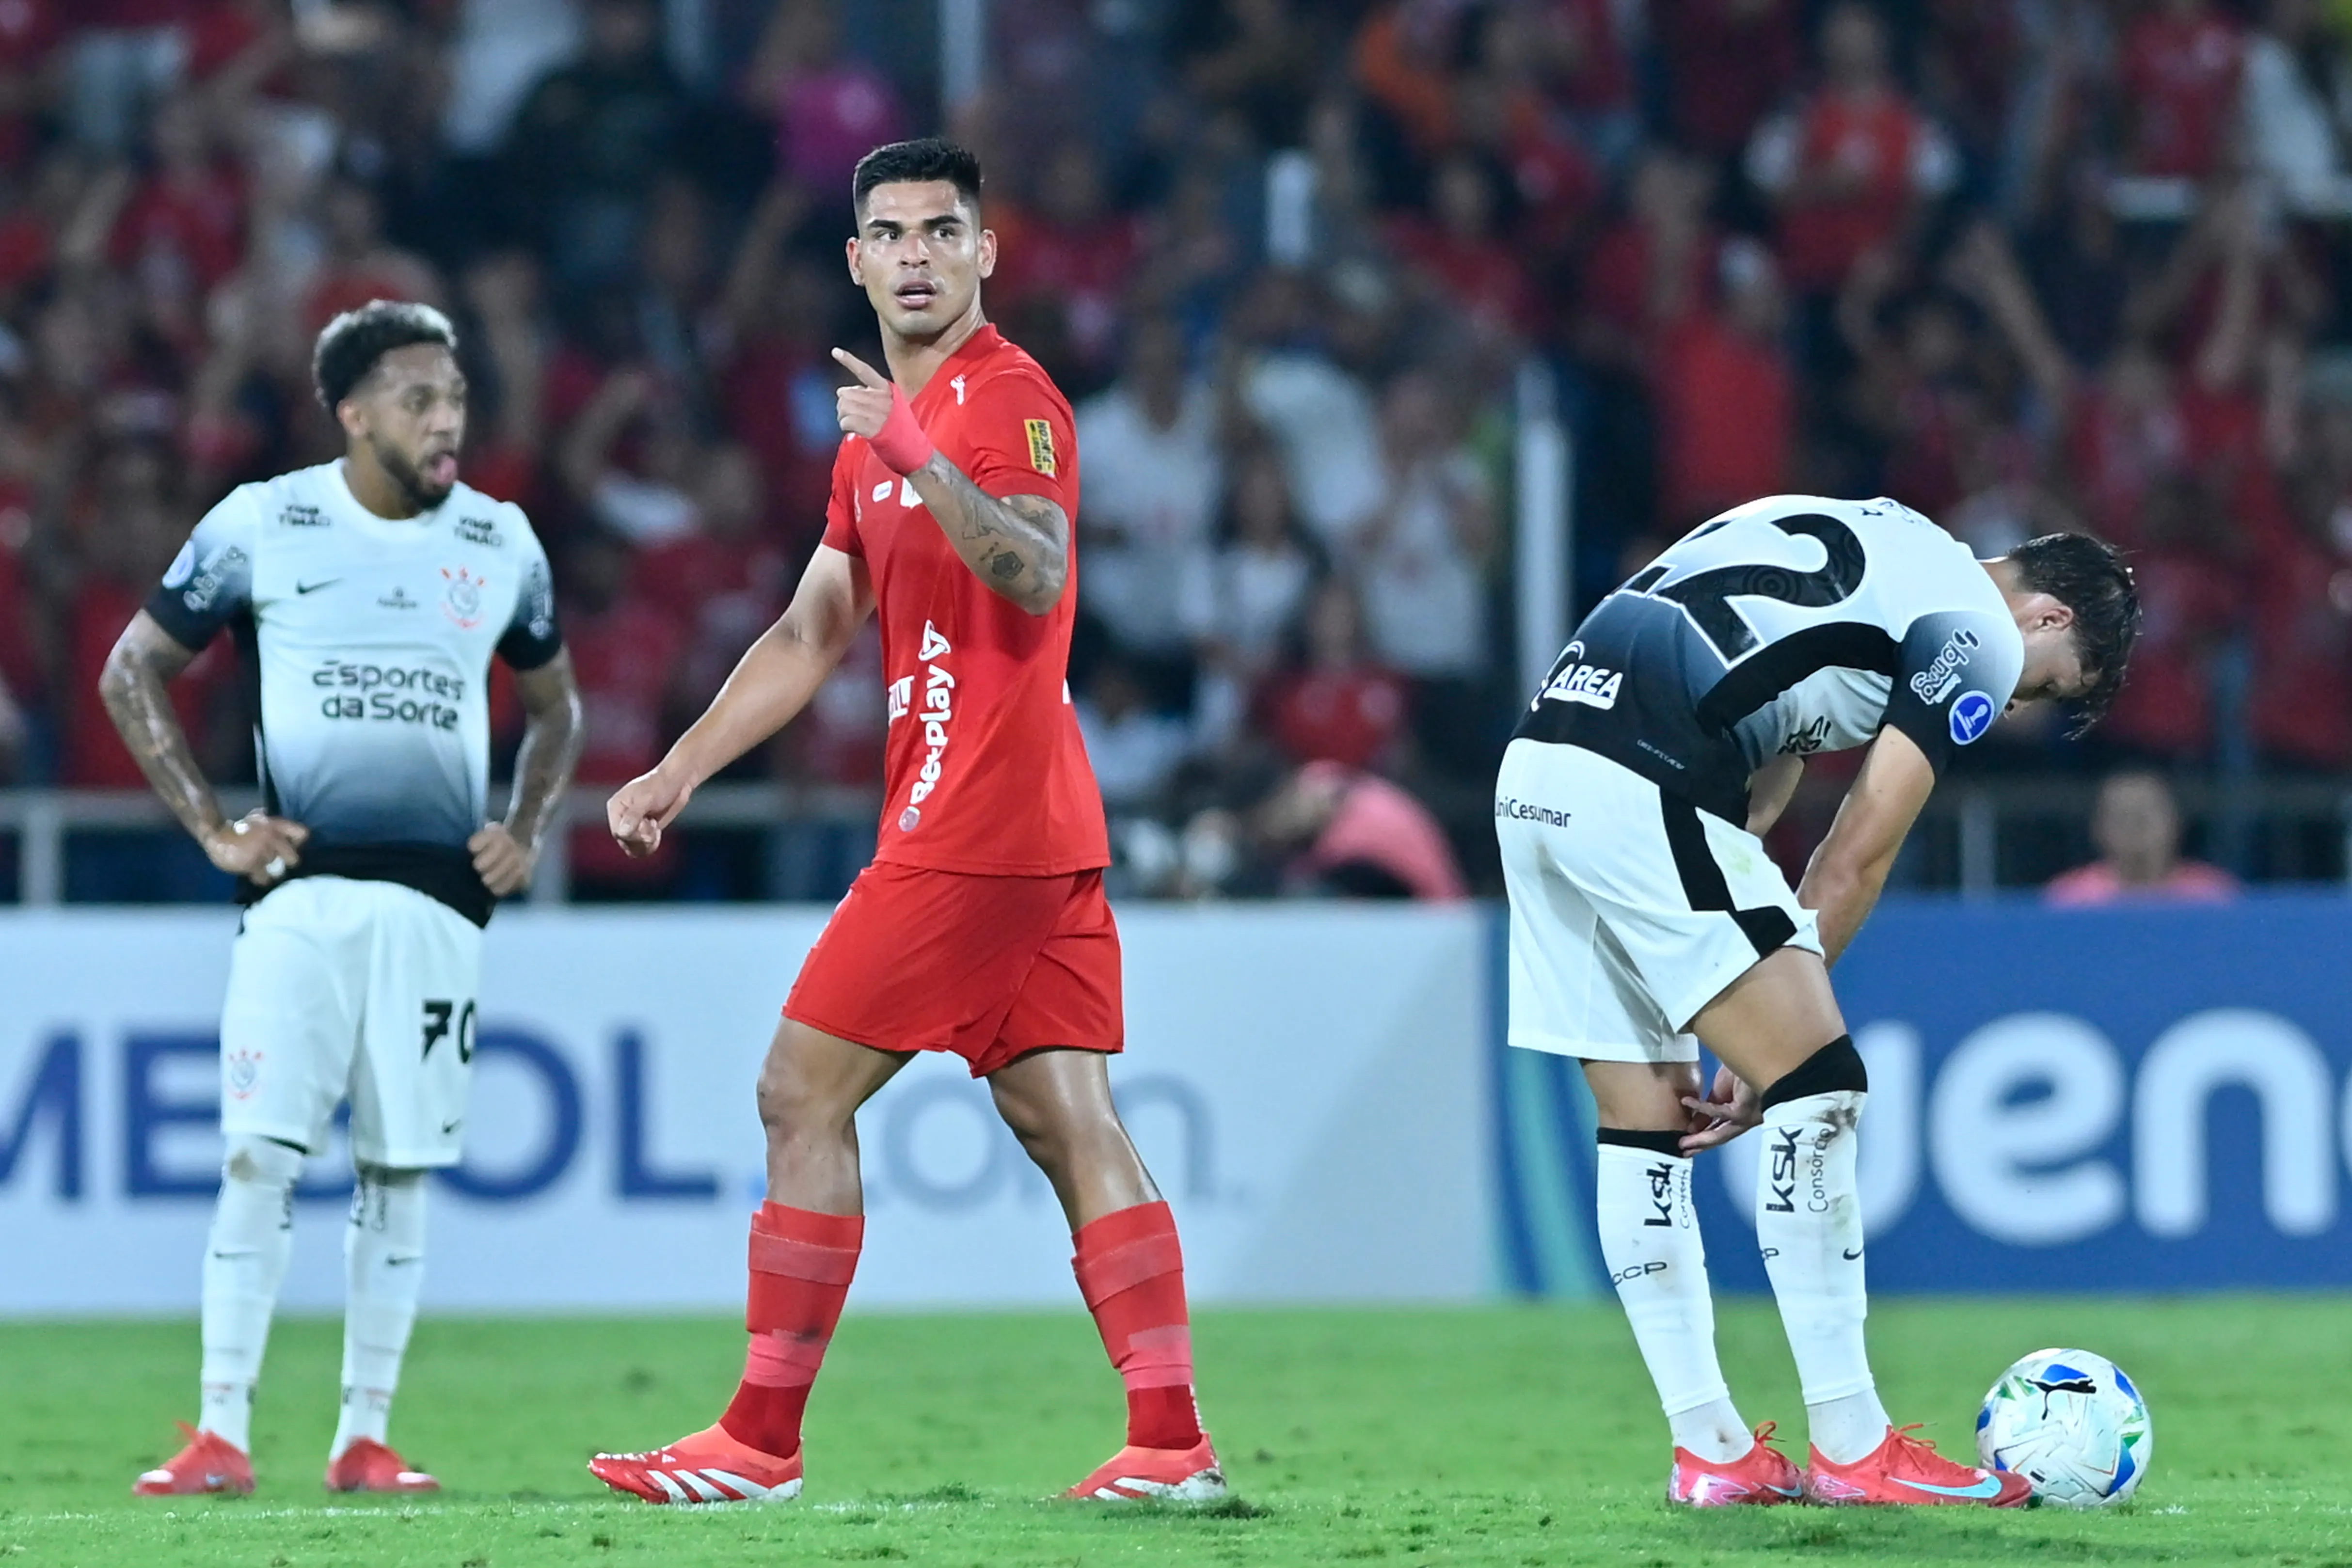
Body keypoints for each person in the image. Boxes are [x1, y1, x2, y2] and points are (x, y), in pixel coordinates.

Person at [588, 138, 1223, 1506]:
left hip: (975, 824)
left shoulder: (1009, 400)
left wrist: (920, 451)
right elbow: (815, 624)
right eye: (892, 232)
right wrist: (680, 765)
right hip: (1025, 826)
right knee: (1067, 1118)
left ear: (986, 253)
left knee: (796, 1090)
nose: (919, 253)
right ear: (860, 259)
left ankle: (758, 1442)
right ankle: (1168, 1445)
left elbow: (1037, 563)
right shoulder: (877, 432)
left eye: (945, 229)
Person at [1497, 497, 2137, 1507]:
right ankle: (1852, 1445)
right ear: (2047, 617)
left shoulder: (1883, 540)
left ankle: (1711, 1451)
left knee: (1642, 1121)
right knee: (1819, 1085)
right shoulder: (1968, 632)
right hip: (1639, 776)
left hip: (1537, 772)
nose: (2013, 708)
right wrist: (1775, 1048)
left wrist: (1743, 977)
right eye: (2040, 689)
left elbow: (1766, 746)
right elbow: (1856, 853)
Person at [109, 301, 585, 1496]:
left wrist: (524, 831)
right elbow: (134, 670)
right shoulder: (266, 523)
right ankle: (220, 1431)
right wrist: (215, 829)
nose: (447, 422)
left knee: (400, 1169)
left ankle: (362, 1438)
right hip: (298, 896)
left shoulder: (500, 541)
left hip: (437, 908)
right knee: (257, 1157)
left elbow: (559, 708)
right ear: (354, 412)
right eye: (421, 400)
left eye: (458, 400)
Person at [2046, 770, 2238, 906]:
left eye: (2145, 817)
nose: (2135, 828)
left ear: (2175, 823)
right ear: (2098, 828)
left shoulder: (2212, 897)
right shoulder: (2070, 901)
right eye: (2122, 817)